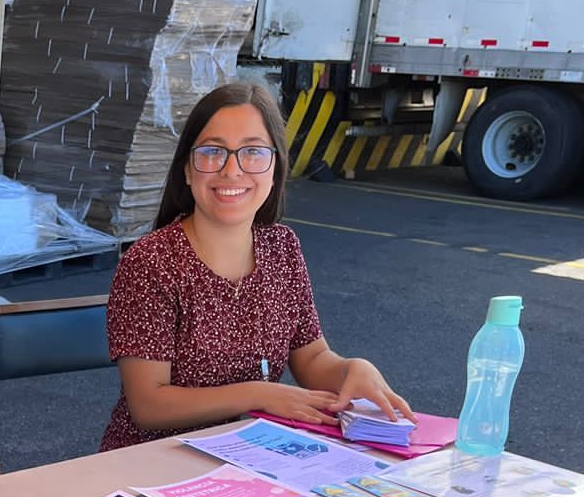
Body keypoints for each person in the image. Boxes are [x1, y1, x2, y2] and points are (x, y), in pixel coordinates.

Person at [100, 81, 411, 454]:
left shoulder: (282, 248)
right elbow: (149, 405)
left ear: (275, 166)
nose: (232, 171)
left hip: (255, 455)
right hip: (154, 463)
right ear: (187, 168)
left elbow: (311, 357)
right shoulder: (151, 263)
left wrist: (351, 370)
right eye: (213, 152)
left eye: (253, 152)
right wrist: (260, 395)